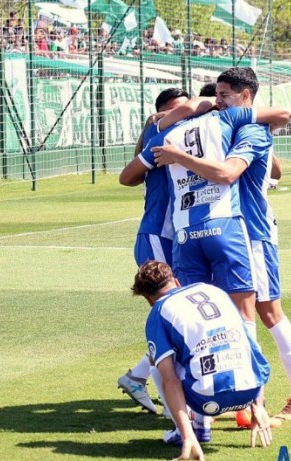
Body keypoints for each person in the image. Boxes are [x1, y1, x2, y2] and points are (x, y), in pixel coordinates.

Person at [153, 67, 291, 423]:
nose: (218, 100)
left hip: (253, 233)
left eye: (225, 94)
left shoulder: (251, 130)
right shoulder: (225, 127)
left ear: (245, 98)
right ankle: (235, 397)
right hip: (221, 233)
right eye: (216, 94)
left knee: (267, 311)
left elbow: (234, 171)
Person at [131, 260, 273, 460]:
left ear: (148, 299)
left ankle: (189, 431)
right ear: (176, 282)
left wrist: (187, 435)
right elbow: (252, 348)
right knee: (237, 342)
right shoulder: (214, 291)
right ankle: (203, 426)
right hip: (249, 392)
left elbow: (170, 380)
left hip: (206, 400)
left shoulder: (159, 311)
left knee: (160, 362)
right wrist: (258, 406)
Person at [117, 88, 191, 415]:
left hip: (172, 236)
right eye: (175, 109)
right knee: (172, 317)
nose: (183, 113)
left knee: (179, 316)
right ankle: (177, 410)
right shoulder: (162, 136)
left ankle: (138, 376)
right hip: (158, 235)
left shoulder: (179, 136)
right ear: (160, 114)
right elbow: (128, 176)